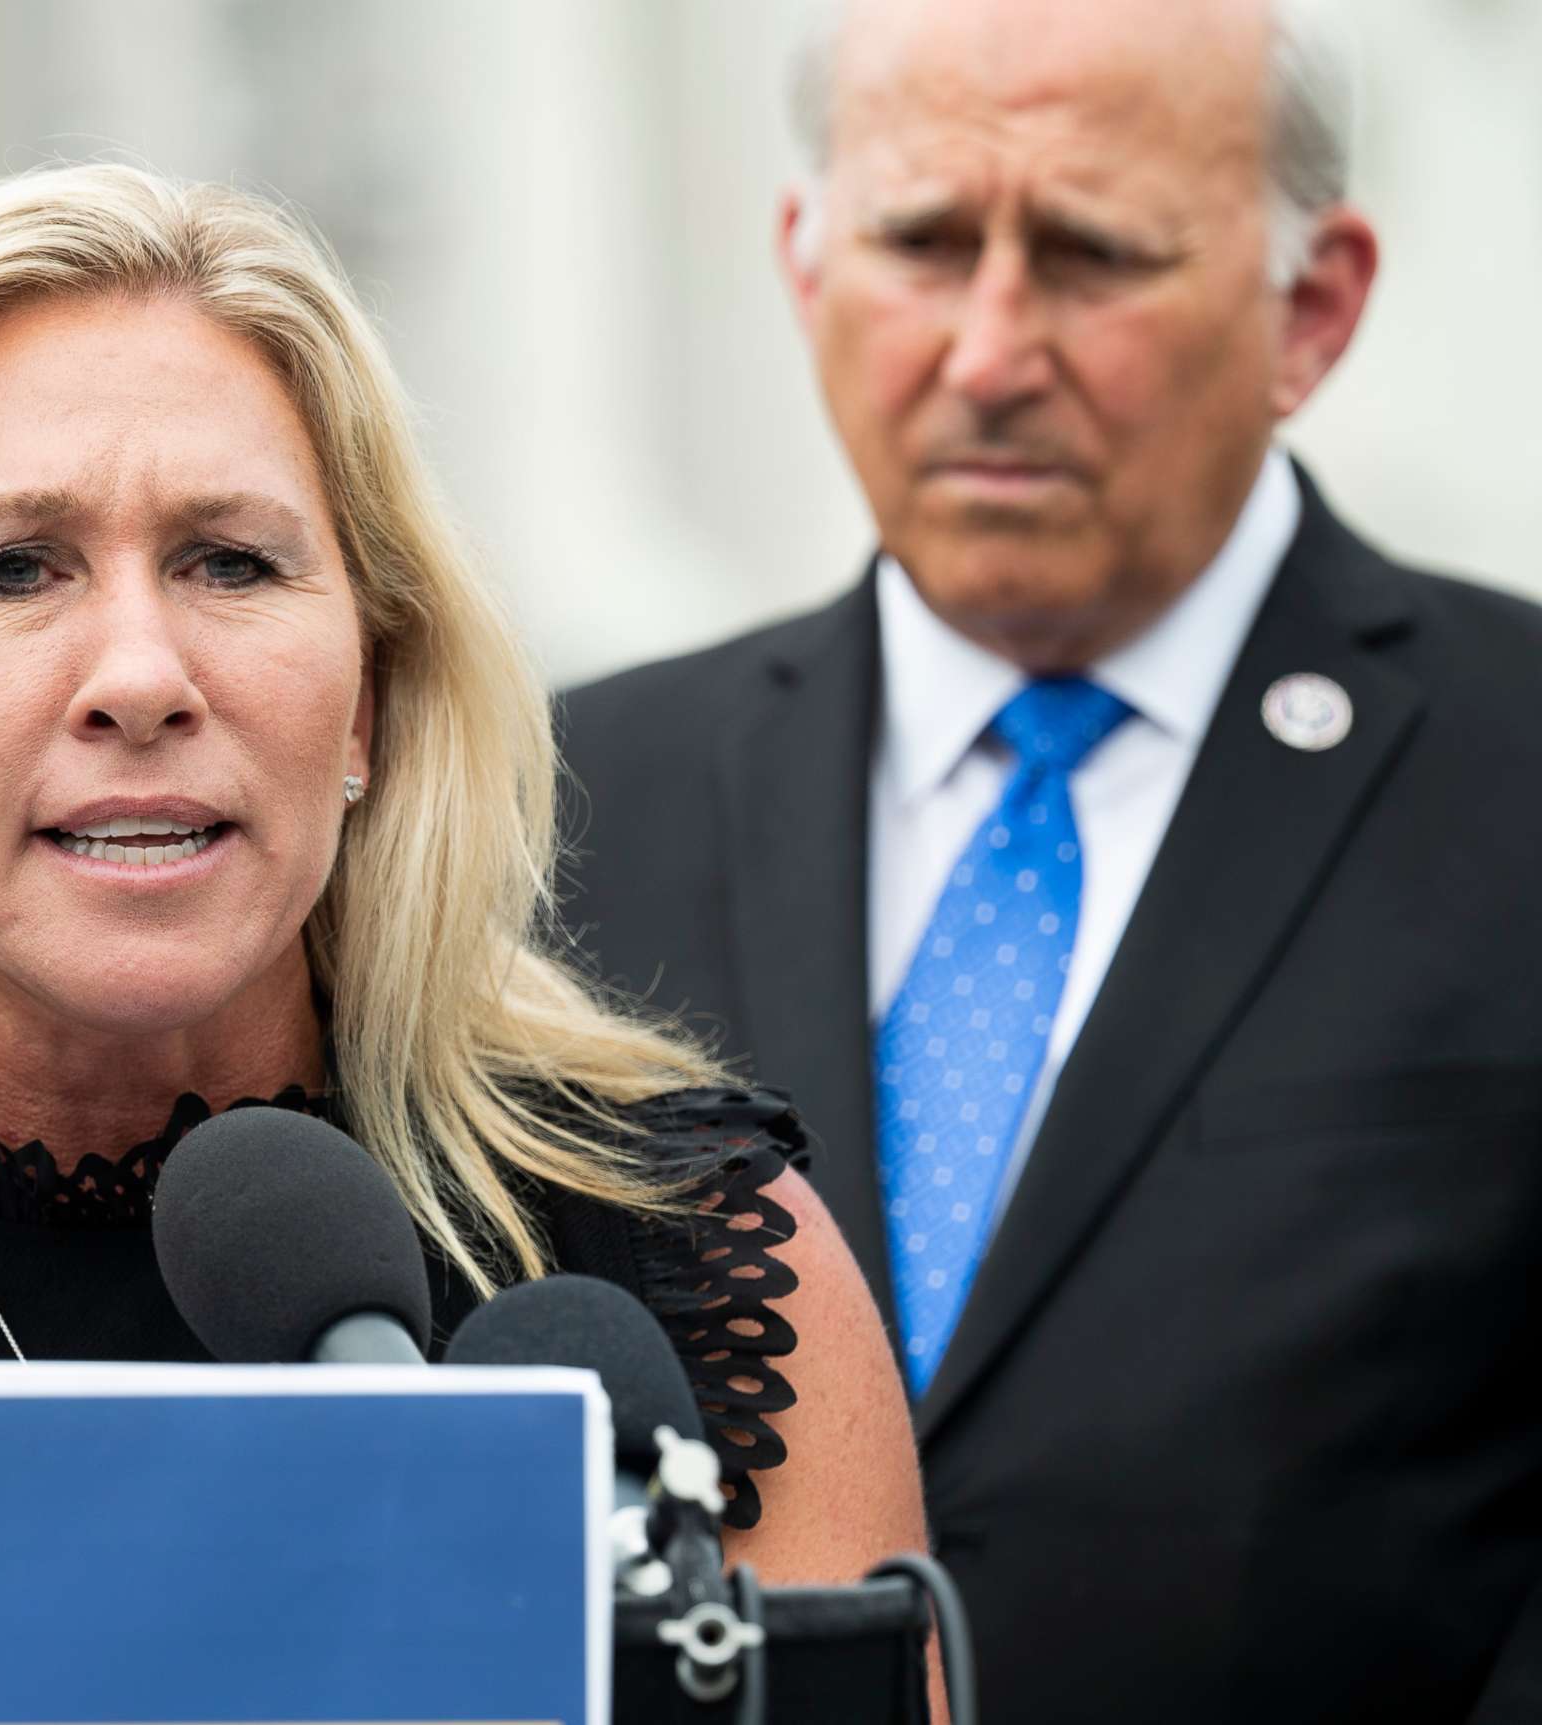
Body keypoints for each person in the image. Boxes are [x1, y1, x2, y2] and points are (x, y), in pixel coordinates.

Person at [0, 164, 929, 1598]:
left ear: (369, 704)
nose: (140, 676)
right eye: (13, 567)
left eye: (231, 562)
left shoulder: (692, 1265)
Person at [558, 1, 1542, 1720]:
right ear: (806, 261)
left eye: (1090, 256)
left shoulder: (1511, 767)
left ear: (1309, 306)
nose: (991, 349)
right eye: (923, 242)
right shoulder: (556, 812)